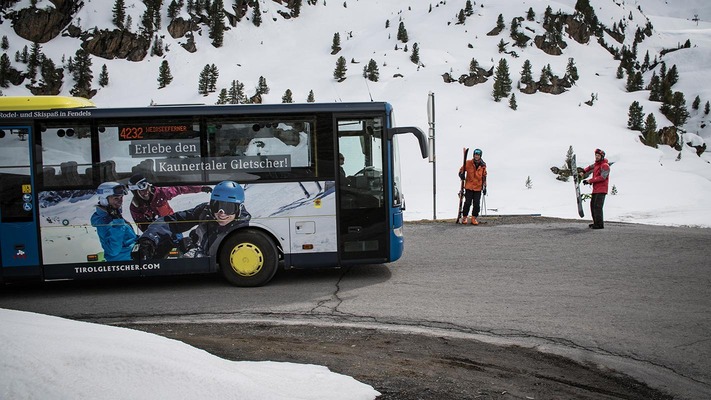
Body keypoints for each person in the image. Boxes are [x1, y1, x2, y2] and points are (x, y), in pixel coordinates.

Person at [135, 181, 251, 260]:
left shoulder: (241, 232)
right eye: (217, 206)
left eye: (229, 208)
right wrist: (149, 238)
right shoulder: (205, 211)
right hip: (192, 249)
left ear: (239, 209)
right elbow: (172, 221)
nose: (221, 213)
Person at [128, 173, 212, 233]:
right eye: (141, 191)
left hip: (172, 224)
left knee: (179, 246)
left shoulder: (159, 193)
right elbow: (142, 225)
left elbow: (180, 188)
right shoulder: (135, 207)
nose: (145, 192)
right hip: (156, 231)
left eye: (146, 188)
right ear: (135, 193)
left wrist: (201, 188)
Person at [91, 182, 137, 261]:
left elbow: (127, 240)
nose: (120, 201)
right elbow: (113, 251)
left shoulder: (113, 216)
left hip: (133, 258)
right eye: (116, 198)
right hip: (123, 265)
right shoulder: (104, 222)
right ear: (104, 199)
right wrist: (118, 223)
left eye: (121, 198)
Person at [581, 148, 610, 229]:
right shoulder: (597, 164)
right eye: (596, 155)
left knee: (597, 206)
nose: (596, 157)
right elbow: (590, 167)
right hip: (596, 189)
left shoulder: (605, 165)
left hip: (602, 189)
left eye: (598, 155)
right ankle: (595, 223)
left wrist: (590, 181)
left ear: (602, 156)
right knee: (593, 206)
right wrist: (583, 171)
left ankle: (599, 224)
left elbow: (602, 177)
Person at [458, 148, 487, 225]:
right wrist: (461, 175)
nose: (476, 156)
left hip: (478, 188)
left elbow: (484, 176)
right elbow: (461, 170)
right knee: (467, 203)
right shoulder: (468, 163)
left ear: (480, 156)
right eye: (475, 155)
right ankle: (464, 217)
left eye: (478, 155)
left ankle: (474, 218)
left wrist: (484, 187)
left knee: (476, 204)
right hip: (469, 187)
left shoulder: (483, 166)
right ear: (473, 155)